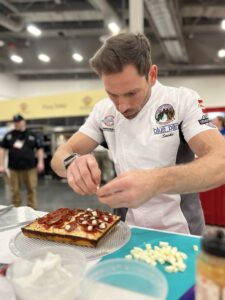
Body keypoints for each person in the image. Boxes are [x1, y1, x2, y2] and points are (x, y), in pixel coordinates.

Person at [51, 33, 225, 235]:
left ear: (152, 75)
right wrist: (71, 162)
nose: (122, 106)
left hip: (180, 230)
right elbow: (60, 155)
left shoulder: (181, 100)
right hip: (126, 231)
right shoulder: (104, 111)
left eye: (131, 93)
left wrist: (156, 182)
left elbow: (220, 161)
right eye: (112, 94)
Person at [0, 114, 45, 209]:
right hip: (14, 169)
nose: (16, 124)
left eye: (18, 121)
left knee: (31, 189)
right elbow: (2, 150)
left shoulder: (32, 135)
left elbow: (39, 149)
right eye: (15, 122)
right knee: (14, 191)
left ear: (24, 122)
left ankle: (32, 211)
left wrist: (41, 162)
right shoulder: (9, 135)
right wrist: (1, 165)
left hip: (30, 168)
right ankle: (16, 211)